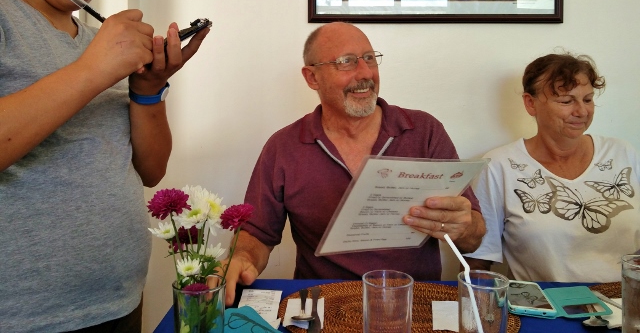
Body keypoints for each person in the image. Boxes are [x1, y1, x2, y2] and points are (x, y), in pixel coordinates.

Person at [0, 0, 209, 331]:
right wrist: (93, 71)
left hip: (117, 300)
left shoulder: (100, 42)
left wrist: (147, 88)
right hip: (23, 315)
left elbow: (151, 170)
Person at [223, 21, 486, 305]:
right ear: (312, 77)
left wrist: (463, 227)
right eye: (346, 62)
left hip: (415, 303)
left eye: (369, 58)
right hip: (323, 304)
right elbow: (258, 234)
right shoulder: (283, 147)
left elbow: (473, 239)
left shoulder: (424, 131)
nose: (365, 73)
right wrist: (242, 258)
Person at [465, 53, 640, 283]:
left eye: (588, 99)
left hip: (625, 300)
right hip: (543, 303)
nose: (582, 111)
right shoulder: (499, 166)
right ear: (530, 103)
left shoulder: (622, 153)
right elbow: (478, 261)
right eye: (566, 101)